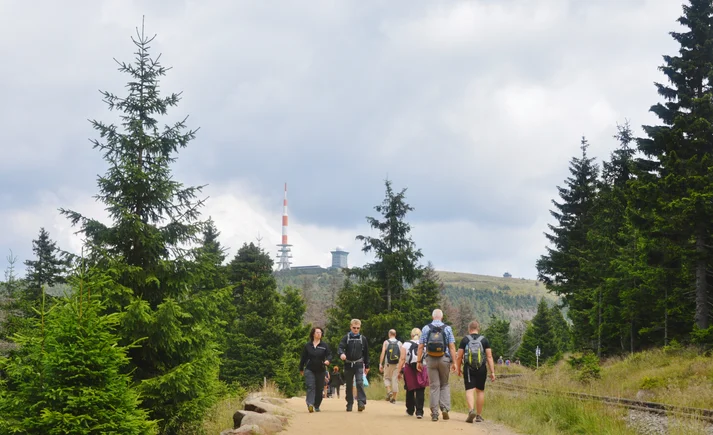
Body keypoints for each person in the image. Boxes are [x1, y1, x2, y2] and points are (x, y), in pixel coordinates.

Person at [417, 309, 457, 422]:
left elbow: (420, 346)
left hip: (430, 359)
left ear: (432, 317)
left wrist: (419, 362)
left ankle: (434, 414)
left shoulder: (426, 328)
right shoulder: (447, 328)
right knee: (444, 384)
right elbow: (452, 347)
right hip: (444, 359)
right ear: (442, 317)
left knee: (434, 386)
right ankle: (444, 408)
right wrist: (454, 362)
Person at [456, 320, 496, 423]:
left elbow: (459, 356)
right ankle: (478, 415)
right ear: (478, 329)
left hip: (468, 368)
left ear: (469, 329)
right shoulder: (484, 340)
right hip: (481, 368)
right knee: (480, 391)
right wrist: (492, 372)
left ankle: (471, 411)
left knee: (469, 390)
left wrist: (458, 368)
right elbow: (489, 356)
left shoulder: (465, 340)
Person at [337, 319, 370, 412]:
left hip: (359, 363)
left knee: (359, 382)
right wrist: (341, 354)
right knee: (349, 385)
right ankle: (350, 403)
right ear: (350, 327)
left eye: (358, 328)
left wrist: (367, 366)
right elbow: (340, 347)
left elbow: (366, 353)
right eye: (354, 328)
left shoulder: (363, 339)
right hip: (348, 364)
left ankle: (361, 402)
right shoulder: (346, 337)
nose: (356, 330)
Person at [397, 327, 428, 419]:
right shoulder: (424, 344)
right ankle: (419, 412)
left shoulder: (406, 344)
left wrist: (399, 371)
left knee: (410, 389)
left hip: (409, 368)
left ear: (411, 335)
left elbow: (402, 359)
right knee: (420, 389)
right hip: (422, 367)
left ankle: (410, 410)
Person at [299, 326, 332, 413]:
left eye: (320, 332)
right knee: (310, 386)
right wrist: (301, 368)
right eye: (317, 332)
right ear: (313, 334)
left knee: (319, 388)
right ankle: (310, 404)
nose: (319, 334)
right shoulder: (307, 346)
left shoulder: (324, 346)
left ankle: (316, 405)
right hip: (309, 369)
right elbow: (303, 357)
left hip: (321, 370)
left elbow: (329, 355)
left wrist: (328, 360)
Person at [379, 329, 403, 403]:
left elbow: (383, 353)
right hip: (397, 364)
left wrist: (380, 363)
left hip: (388, 364)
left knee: (386, 378)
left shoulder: (386, 342)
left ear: (389, 334)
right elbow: (402, 356)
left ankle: (389, 391)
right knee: (395, 380)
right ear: (395, 334)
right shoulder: (399, 343)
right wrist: (401, 367)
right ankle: (394, 399)